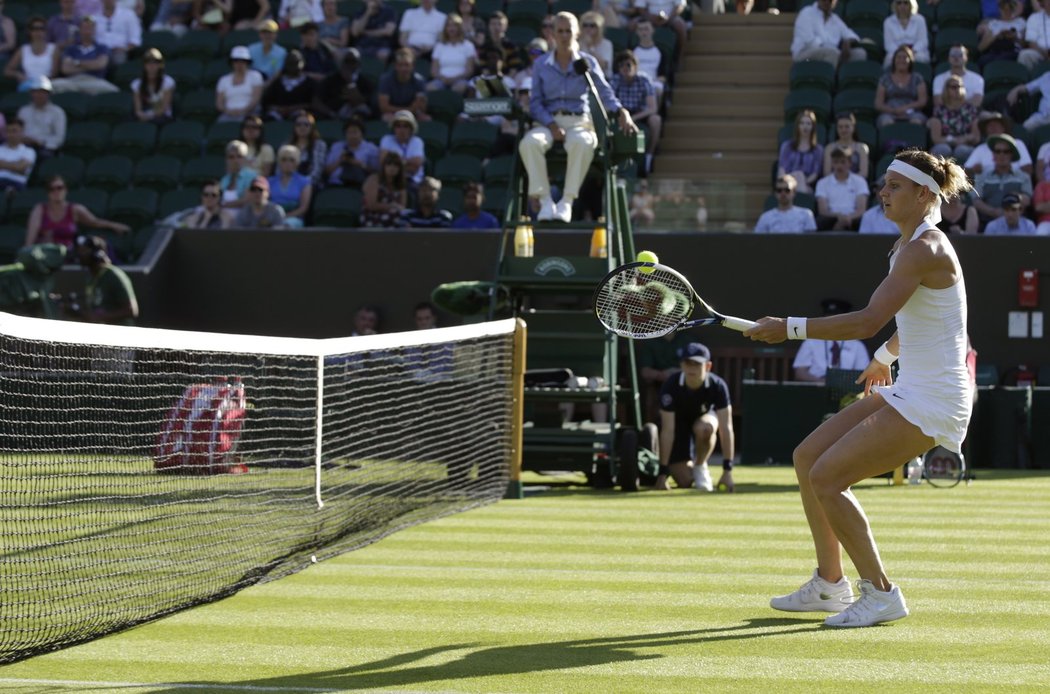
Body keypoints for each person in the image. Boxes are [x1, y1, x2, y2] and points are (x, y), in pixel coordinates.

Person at [746, 148, 975, 627]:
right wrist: (884, 358)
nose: (883, 192)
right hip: (909, 386)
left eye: (894, 186)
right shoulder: (907, 247)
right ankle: (831, 584)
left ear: (923, 194)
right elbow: (921, 322)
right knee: (808, 458)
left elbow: (869, 319)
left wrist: (788, 327)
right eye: (884, 184)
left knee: (829, 478)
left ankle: (881, 593)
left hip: (935, 400)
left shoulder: (923, 249)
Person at [521, 12, 638, 223]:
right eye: (560, 31)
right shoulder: (540, 65)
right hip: (548, 123)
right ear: (553, 34)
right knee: (529, 143)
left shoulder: (588, 63)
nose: (564, 35)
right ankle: (546, 201)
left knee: (583, 142)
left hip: (579, 123)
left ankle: (567, 201)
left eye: (568, 31)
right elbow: (535, 102)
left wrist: (622, 111)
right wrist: (551, 124)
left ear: (576, 33)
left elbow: (605, 93)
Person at [655, 342, 736, 494]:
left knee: (705, 428)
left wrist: (727, 471)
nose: (691, 368)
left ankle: (700, 466)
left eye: (697, 364)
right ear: (681, 365)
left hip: (703, 423)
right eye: (687, 363)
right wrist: (663, 473)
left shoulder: (718, 386)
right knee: (684, 481)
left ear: (708, 366)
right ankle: (688, 467)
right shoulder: (670, 385)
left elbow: (726, 428)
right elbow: (668, 430)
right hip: (678, 428)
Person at [25, 175, 130, 249]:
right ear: (47, 192)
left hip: (69, 254)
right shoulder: (39, 209)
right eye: (52, 189)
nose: (56, 192)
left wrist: (114, 225)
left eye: (59, 188)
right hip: (46, 254)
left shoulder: (75, 209)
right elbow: (30, 238)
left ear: (65, 190)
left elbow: (94, 222)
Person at [792, 299, 871, 383]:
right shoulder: (811, 342)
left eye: (836, 320)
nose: (832, 324)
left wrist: (845, 383)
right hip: (817, 385)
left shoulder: (857, 345)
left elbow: (863, 374)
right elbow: (800, 372)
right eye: (828, 319)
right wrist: (821, 381)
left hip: (845, 387)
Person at [610, 50, 661, 174]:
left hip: (640, 115)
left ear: (635, 66)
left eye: (628, 64)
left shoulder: (644, 80)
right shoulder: (615, 80)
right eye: (621, 65)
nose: (625, 68)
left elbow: (652, 108)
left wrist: (634, 118)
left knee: (656, 120)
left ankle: (649, 156)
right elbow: (609, 102)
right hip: (620, 114)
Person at [71, 234, 138, 325]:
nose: (80, 255)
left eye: (84, 251)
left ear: (97, 254)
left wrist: (98, 317)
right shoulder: (91, 277)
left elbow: (131, 310)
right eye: (79, 251)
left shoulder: (113, 275)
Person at [636, 330, 695, 424]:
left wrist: (676, 374)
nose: (669, 319)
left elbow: (696, 368)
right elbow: (645, 372)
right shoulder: (651, 341)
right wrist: (663, 375)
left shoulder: (688, 340)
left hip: (685, 387)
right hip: (659, 388)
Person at [972, 132, 1032, 225]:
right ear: (993, 155)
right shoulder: (982, 176)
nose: (1001, 155)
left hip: (1017, 222)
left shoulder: (1023, 176)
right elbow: (976, 201)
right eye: (998, 151)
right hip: (987, 223)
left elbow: (1027, 200)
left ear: (1011, 155)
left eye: (1006, 151)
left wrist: (1017, 198)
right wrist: (993, 211)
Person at [51, 16, 119, 95]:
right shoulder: (71, 49)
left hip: (94, 81)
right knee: (53, 85)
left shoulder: (101, 48)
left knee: (114, 91)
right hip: (73, 81)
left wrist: (77, 63)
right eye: (85, 27)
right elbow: (65, 69)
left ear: (94, 30)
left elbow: (100, 65)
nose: (87, 31)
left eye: (90, 27)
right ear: (80, 30)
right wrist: (91, 66)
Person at [790, 0, 865, 67]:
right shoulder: (807, 12)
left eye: (830, 1)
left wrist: (847, 42)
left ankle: (847, 80)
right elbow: (809, 41)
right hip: (804, 53)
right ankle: (830, 80)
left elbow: (851, 34)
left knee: (860, 53)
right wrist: (834, 50)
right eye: (824, 0)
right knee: (832, 53)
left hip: (832, 53)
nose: (827, 2)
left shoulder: (835, 19)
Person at [928, 75, 980, 163]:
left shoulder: (971, 109)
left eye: (960, 86)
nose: (957, 89)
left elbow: (976, 137)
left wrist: (965, 139)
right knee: (943, 149)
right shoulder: (939, 110)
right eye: (953, 87)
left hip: (965, 144)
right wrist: (952, 140)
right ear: (946, 89)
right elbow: (936, 138)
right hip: (944, 143)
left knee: (961, 150)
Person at [815, 146, 868, 231]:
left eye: (843, 162)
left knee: (864, 221)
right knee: (820, 221)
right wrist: (838, 216)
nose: (839, 166)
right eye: (836, 162)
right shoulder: (822, 183)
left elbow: (861, 209)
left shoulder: (860, 181)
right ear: (832, 163)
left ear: (850, 163)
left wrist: (848, 218)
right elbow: (823, 210)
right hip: (831, 217)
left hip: (853, 218)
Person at [964, 111, 1032, 176]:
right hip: (987, 185)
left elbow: (1027, 168)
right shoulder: (980, 149)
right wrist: (973, 170)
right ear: (986, 130)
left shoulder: (1017, 144)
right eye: (990, 126)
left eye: (996, 125)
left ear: (1003, 128)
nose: (993, 128)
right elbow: (965, 171)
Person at [314, 48, 375, 120]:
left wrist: (350, 82)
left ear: (358, 63)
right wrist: (331, 114)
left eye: (353, 61)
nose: (350, 65)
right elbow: (316, 101)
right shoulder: (330, 80)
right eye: (347, 61)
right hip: (334, 115)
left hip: (358, 116)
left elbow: (359, 102)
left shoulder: (364, 82)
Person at [875, 46, 928, 128]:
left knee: (917, 121)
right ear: (894, 60)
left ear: (910, 60)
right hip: (889, 112)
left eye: (905, 58)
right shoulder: (885, 79)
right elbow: (878, 104)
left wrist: (905, 108)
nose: (901, 60)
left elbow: (922, 101)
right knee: (886, 122)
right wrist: (894, 111)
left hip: (912, 112)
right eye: (899, 57)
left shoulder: (917, 78)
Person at [4, 16, 59, 90]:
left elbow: (54, 74)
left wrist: (41, 83)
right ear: (29, 31)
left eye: (41, 29)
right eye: (34, 29)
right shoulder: (23, 50)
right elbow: (7, 70)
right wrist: (18, 75)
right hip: (28, 84)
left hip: (47, 85)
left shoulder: (53, 49)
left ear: (46, 31)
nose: (38, 32)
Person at [324, 115, 379, 188]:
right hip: (335, 184)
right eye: (349, 132)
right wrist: (339, 161)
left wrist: (360, 165)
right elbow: (326, 171)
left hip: (360, 185)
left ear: (362, 134)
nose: (352, 136)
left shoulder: (371, 148)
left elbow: (377, 172)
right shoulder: (336, 147)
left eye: (355, 132)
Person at [427, 13, 477, 93]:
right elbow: (434, 70)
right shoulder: (439, 46)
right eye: (449, 25)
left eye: (454, 25)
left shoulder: (468, 45)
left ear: (459, 28)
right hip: (441, 80)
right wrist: (442, 78)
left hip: (461, 80)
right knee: (430, 87)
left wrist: (454, 79)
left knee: (459, 88)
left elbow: (469, 70)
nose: (451, 28)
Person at [17, 76, 66, 157]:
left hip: (45, 149)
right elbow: (18, 130)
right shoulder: (23, 111)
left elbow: (59, 138)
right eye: (36, 92)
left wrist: (40, 142)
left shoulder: (57, 112)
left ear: (49, 94)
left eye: (42, 92)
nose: (39, 95)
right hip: (24, 147)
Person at [377, 47, 429, 123]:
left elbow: (420, 107)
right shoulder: (385, 80)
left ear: (413, 66)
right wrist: (407, 110)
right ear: (395, 65)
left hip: (413, 114)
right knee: (386, 118)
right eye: (400, 65)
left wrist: (411, 111)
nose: (403, 68)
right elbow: (384, 107)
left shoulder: (419, 81)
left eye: (407, 65)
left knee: (426, 119)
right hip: (392, 113)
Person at [777, 109, 823, 195]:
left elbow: (815, 174)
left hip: (807, 185)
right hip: (787, 184)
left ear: (813, 127)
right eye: (802, 123)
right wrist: (790, 181)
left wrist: (801, 180)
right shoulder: (787, 146)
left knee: (800, 176)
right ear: (797, 126)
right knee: (797, 175)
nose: (805, 126)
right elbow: (782, 169)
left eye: (808, 123)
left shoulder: (818, 149)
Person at [261, 49, 315, 121]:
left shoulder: (310, 83)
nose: (294, 66)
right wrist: (278, 109)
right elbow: (267, 103)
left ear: (303, 63)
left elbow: (313, 104)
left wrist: (292, 109)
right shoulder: (277, 83)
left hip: (300, 115)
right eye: (290, 63)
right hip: (278, 115)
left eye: (296, 62)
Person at [268, 144, 313, 227]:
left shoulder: (304, 181)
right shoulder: (270, 181)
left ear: (297, 162)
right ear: (279, 162)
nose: (287, 163)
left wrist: (285, 217)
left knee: (285, 225)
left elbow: (303, 208)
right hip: (273, 217)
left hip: (294, 219)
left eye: (292, 160)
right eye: (283, 160)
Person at [216, 46, 264, 122]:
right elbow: (219, 103)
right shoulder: (223, 80)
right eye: (236, 61)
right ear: (232, 63)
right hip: (228, 114)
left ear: (247, 62)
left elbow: (256, 98)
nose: (239, 64)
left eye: (243, 61)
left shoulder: (255, 76)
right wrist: (228, 111)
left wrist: (244, 110)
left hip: (250, 113)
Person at [361, 150, 408, 228]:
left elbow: (402, 207)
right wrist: (391, 206)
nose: (392, 168)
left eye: (396, 165)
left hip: (394, 216)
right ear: (384, 166)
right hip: (372, 216)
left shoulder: (401, 184)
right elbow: (371, 205)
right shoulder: (374, 179)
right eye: (389, 164)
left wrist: (395, 208)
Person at [379, 109, 425, 187]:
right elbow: (383, 162)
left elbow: (416, 165)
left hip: (413, 181)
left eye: (405, 126)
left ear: (411, 129)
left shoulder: (417, 141)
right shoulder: (386, 139)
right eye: (398, 126)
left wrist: (394, 163)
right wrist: (407, 162)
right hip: (390, 181)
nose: (402, 130)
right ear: (394, 128)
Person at [131, 47, 175, 124]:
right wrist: (141, 114)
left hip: (162, 116)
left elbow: (164, 108)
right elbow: (138, 108)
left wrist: (150, 115)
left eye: (155, 63)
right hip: (144, 114)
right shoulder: (137, 84)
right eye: (148, 63)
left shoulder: (168, 82)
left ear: (160, 65)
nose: (152, 66)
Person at [93, 0, 142, 65]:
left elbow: (135, 39)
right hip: (99, 52)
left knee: (117, 59)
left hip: (119, 52)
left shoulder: (129, 15)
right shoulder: (94, 17)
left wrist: (125, 49)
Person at [978, 0, 1025, 67]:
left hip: (1012, 50)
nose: (1007, 12)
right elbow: (980, 48)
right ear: (1000, 9)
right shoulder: (993, 23)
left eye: (1009, 9)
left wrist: (1014, 36)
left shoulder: (1021, 22)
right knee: (983, 60)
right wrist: (996, 36)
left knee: (1002, 59)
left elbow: (1024, 44)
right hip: (995, 50)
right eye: (1004, 9)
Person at [883, 0, 929, 68]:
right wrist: (901, 53)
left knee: (922, 58)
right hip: (895, 52)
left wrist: (911, 52)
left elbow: (923, 41)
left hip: (916, 52)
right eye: (899, 3)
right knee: (889, 59)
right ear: (895, 5)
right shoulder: (888, 22)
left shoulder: (920, 20)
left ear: (911, 5)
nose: (902, 6)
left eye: (905, 3)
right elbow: (889, 44)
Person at [822, 112, 869, 180]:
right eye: (840, 127)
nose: (843, 130)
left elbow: (863, 173)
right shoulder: (829, 148)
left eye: (847, 126)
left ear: (853, 127)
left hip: (855, 185)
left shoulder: (862, 148)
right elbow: (827, 173)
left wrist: (847, 182)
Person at [1007, 58, 1050, 130]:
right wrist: (1016, 90)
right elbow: (1027, 88)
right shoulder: (1047, 76)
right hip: (1043, 116)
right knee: (1025, 127)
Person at [286, 109, 327, 186]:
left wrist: (303, 185)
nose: (302, 127)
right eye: (299, 124)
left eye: (306, 124)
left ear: (312, 127)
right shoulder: (287, 145)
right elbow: (280, 169)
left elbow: (317, 171)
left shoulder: (319, 145)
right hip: (289, 185)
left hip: (310, 185)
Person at [631, 18, 668, 102]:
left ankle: (654, 113)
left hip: (654, 83)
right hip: (635, 83)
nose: (644, 32)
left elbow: (663, 76)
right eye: (640, 29)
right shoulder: (632, 52)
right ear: (637, 32)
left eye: (646, 29)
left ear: (653, 30)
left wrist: (652, 81)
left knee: (659, 89)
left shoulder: (661, 52)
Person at [0, 119, 37, 192]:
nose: (10, 134)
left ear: (22, 132)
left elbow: (21, 168)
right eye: (8, 131)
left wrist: (2, 164)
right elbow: (17, 167)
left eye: (14, 131)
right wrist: (15, 164)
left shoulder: (29, 151)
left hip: (16, 184)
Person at [219, 139, 258, 207]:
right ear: (226, 160)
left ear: (245, 159)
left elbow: (247, 200)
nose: (235, 160)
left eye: (239, 156)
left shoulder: (252, 176)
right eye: (231, 157)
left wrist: (223, 205)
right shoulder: (224, 179)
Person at [579, 11, 613, 77]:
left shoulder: (607, 44)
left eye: (592, 25)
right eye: (585, 25)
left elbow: (603, 65)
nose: (588, 28)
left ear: (599, 28)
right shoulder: (578, 44)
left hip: (603, 79)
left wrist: (590, 47)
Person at [1020, 0, 1050, 70]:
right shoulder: (1034, 18)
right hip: (1042, 53)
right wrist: (1045, 54)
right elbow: (1032, 43)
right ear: (1042, 3)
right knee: (1025, 54)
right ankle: (1031, 80)